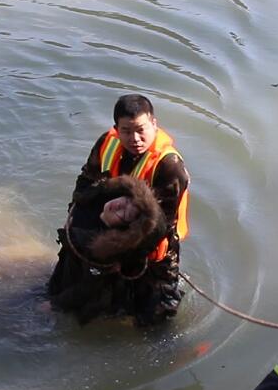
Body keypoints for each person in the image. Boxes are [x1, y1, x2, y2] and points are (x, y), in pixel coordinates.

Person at [48, 94, 190, 326]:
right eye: (126, 131)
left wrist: (121, 258)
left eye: (141, 130)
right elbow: (86, 182)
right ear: (116, 129)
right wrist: (76, 219)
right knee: (68, 280)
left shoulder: (170, 167)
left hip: (151, 245)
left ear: (154, 124)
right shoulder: (107, 143)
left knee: (156, 315)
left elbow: (159, 227)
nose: (135, 139)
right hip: (109, 223)